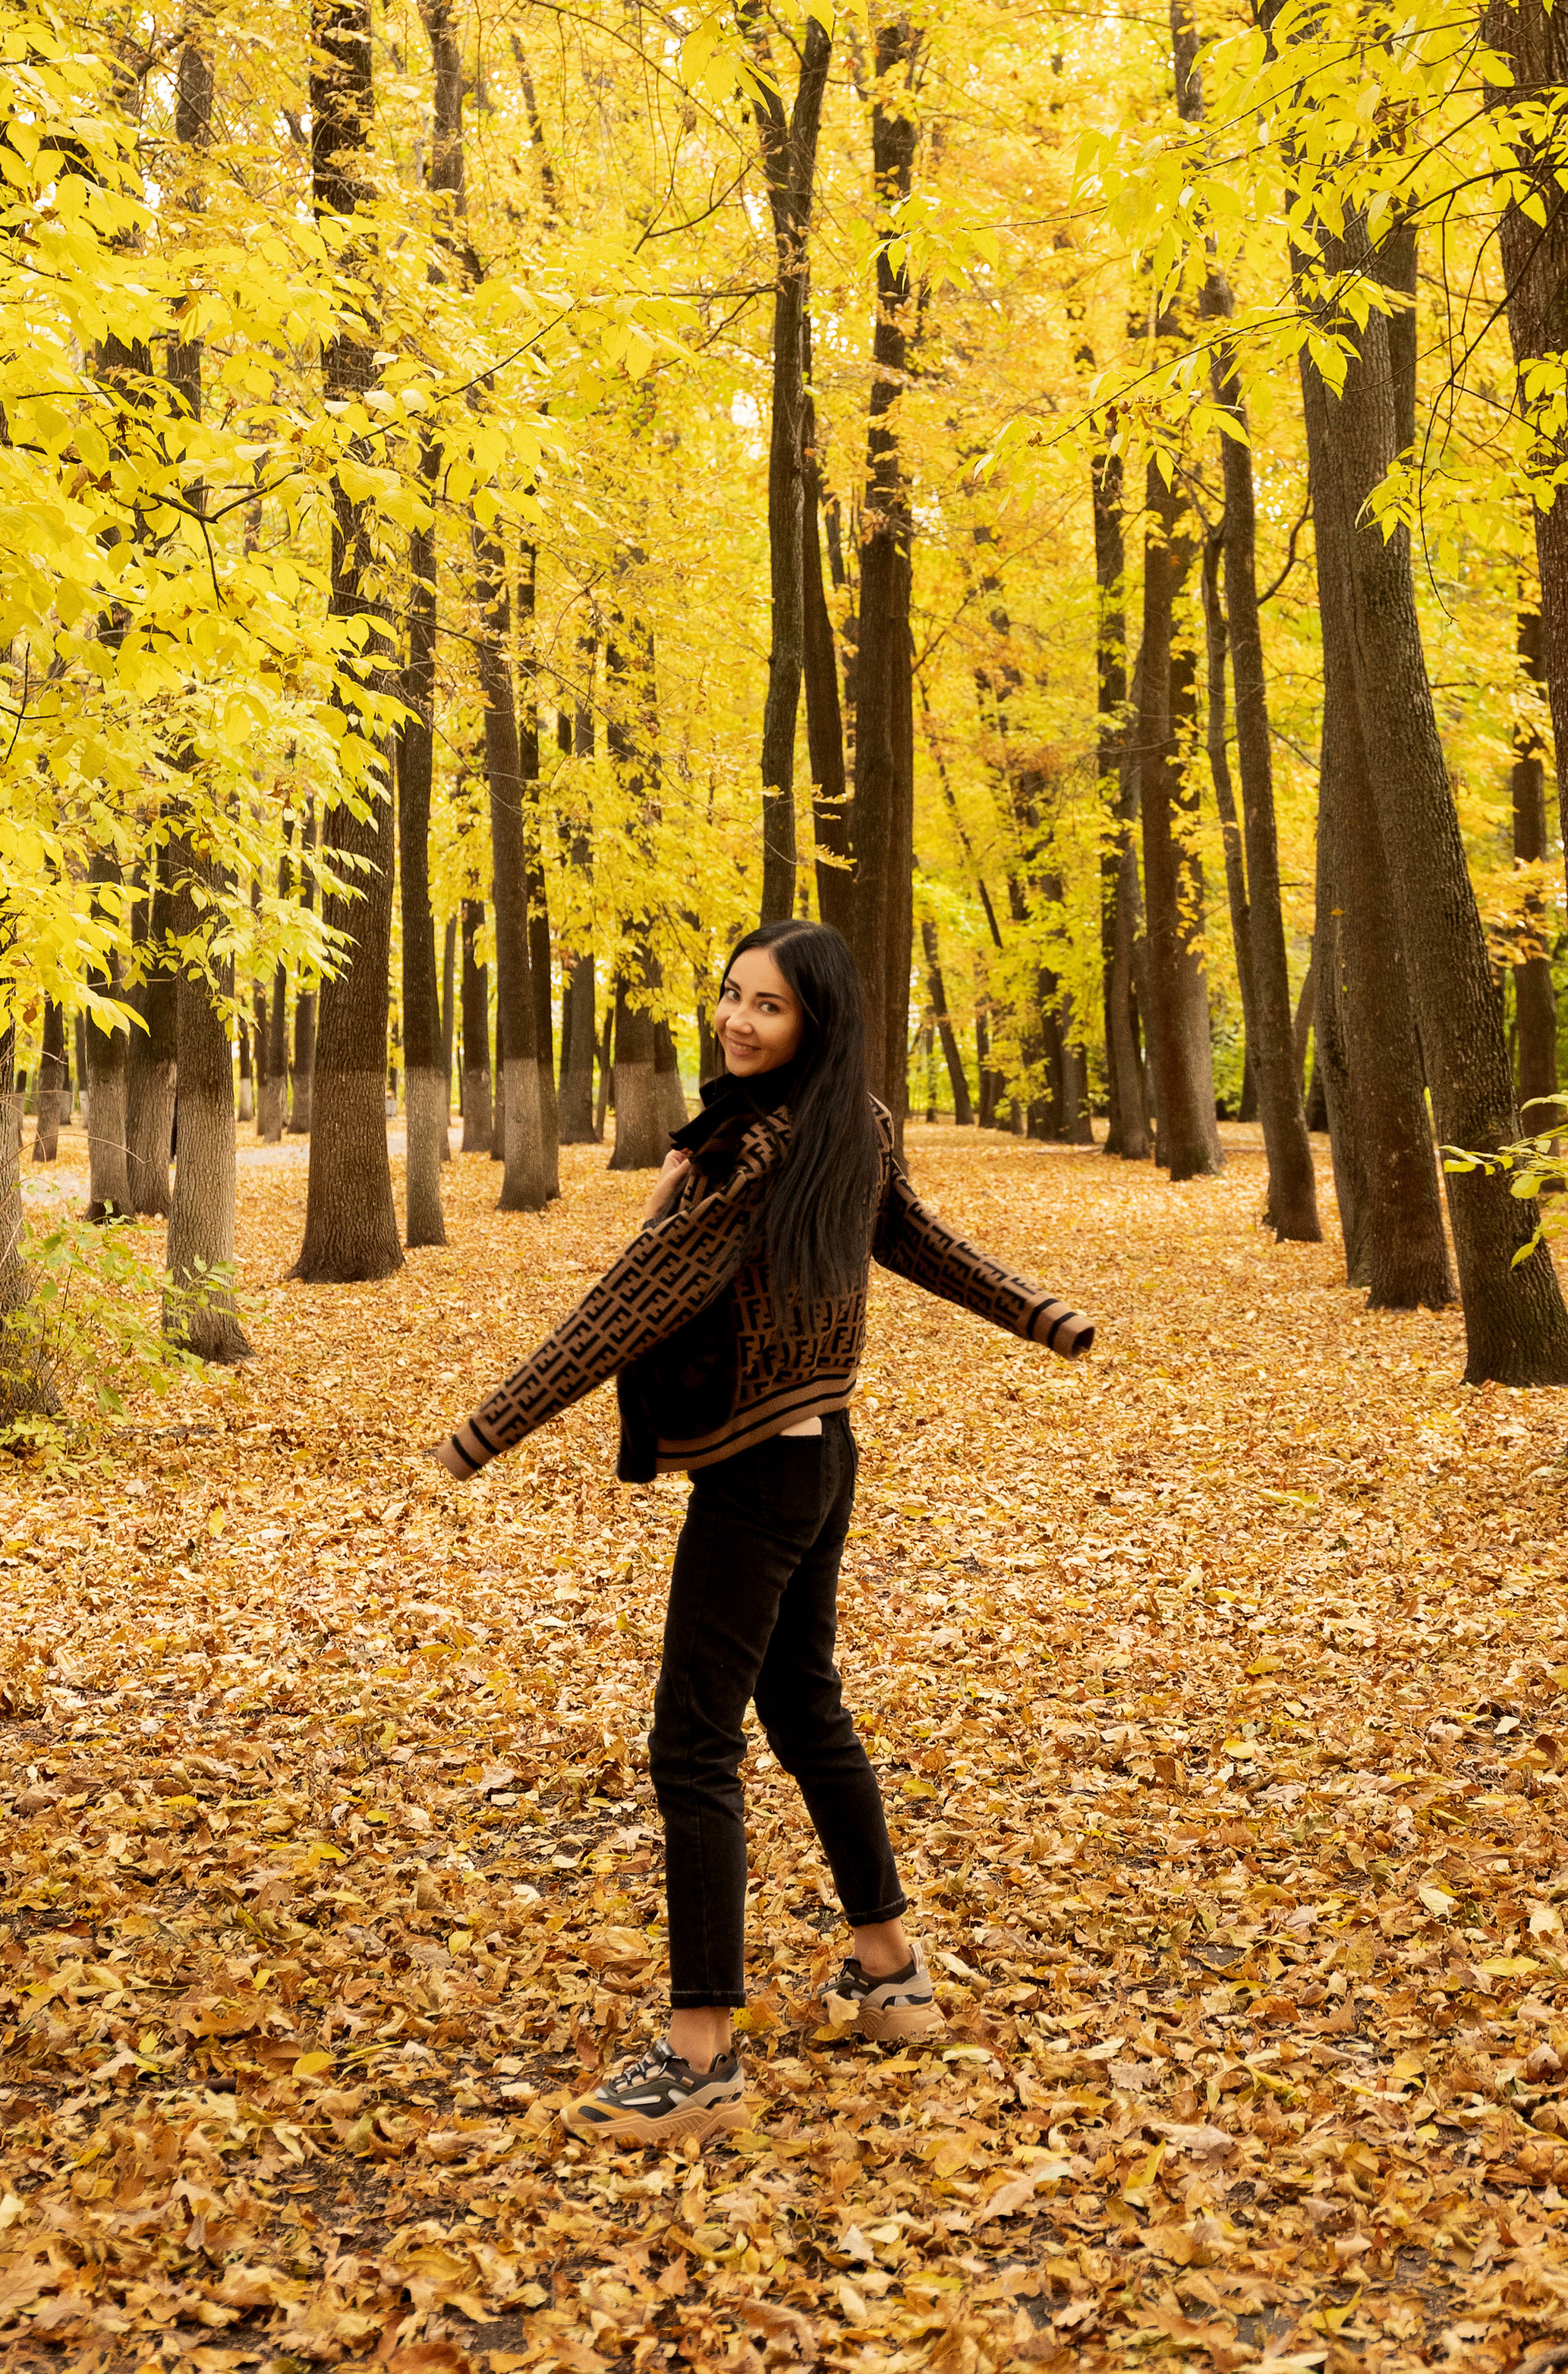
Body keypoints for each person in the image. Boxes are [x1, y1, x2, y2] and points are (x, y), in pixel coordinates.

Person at [431, 919, 1094, 2146]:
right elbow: (918, 1240)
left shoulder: (750, 1152)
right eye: (732, 996)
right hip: (821, 1453)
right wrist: (1040, 1315)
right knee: (802, 1709)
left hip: (760, 1475)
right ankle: (889, 1977)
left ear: (816, 1026)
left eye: (769, 1008)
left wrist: (485, 1429)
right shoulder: (851, 1120)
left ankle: (701, 2060)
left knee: (692, 1746)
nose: (738, 1020)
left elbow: (629, 1307)